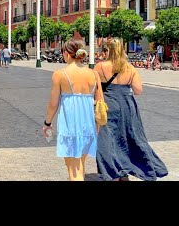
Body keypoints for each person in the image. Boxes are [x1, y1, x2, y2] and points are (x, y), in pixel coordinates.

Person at [94, 37, 168, 181]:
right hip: (127, 106)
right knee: (129, 138)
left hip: (108, 105)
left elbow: (94, 90)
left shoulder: (100, 67)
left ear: (108, 50)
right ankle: (129, 169)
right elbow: (138, 90)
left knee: (107, 140)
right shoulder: (130, 68)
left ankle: (113, 172)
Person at [43, 38, 102, 181]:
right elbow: (100, 102)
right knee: (79, 165)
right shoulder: (93, 74)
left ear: (68, 53)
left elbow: (53, 103)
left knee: (73, 171)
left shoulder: (60, 74)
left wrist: (47, 122)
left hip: (70, 125)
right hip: (88, 125)